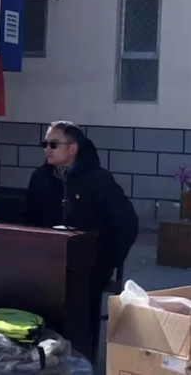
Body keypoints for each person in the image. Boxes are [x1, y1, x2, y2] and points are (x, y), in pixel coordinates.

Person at [25, 120, 139, 358]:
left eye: (53, 144)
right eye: (45, 144)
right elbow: (27, 218)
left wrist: (108, 260)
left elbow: (126, 223)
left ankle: (80, 355)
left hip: (89, 264)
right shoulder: (40, 178)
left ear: (73, 148)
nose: (47, 149)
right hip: (45, 261)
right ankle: (42, 355)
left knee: (80, 303)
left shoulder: (99, 180)